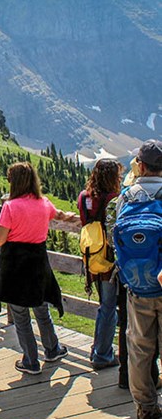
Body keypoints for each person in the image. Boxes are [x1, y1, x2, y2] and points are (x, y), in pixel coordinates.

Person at [0, 162, 77, 375]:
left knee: (21, 315)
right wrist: (81, 217)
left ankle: (31, 361)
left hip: (15, 264)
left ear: (15, 182)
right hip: (38, 263)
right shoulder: (43, 203)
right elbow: (61, 215)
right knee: (41, 309)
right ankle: (52, 349)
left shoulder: (11, 207)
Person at [107, 140, 162, 419]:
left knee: (139, 350)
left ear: (140, 165)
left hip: (137, 287)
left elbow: (114, 238)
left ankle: (145, 408)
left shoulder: (125, 198)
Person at [78, 158, 123, 369]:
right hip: (110, 258)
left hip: (92, 254)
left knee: (103, 305)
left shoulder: (84, 197)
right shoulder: (115, 198)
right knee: (109, 307)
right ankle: (103, 355)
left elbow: (83, 221)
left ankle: (98, 348)